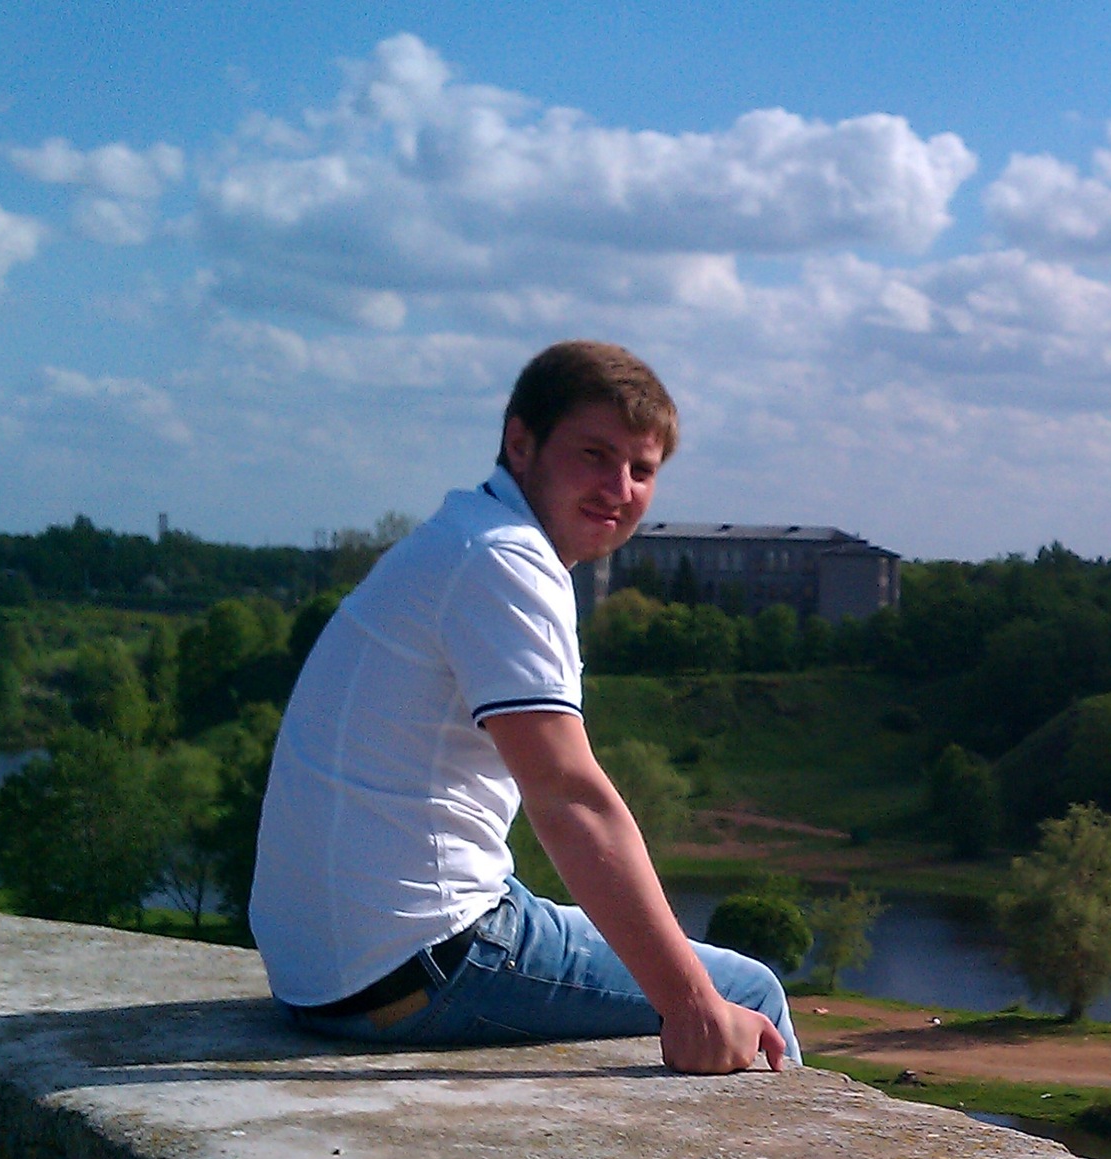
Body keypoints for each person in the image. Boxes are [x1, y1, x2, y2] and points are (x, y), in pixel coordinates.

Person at [250, 340, 793, 1075]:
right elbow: (567, 797)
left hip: (325, 970)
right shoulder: (505, 559)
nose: (619, 488)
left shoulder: (462, 537)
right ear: (520, 443)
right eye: (595, 455)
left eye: (642, 470)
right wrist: (692, 1004)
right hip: (413, 966)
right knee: (747, 991)